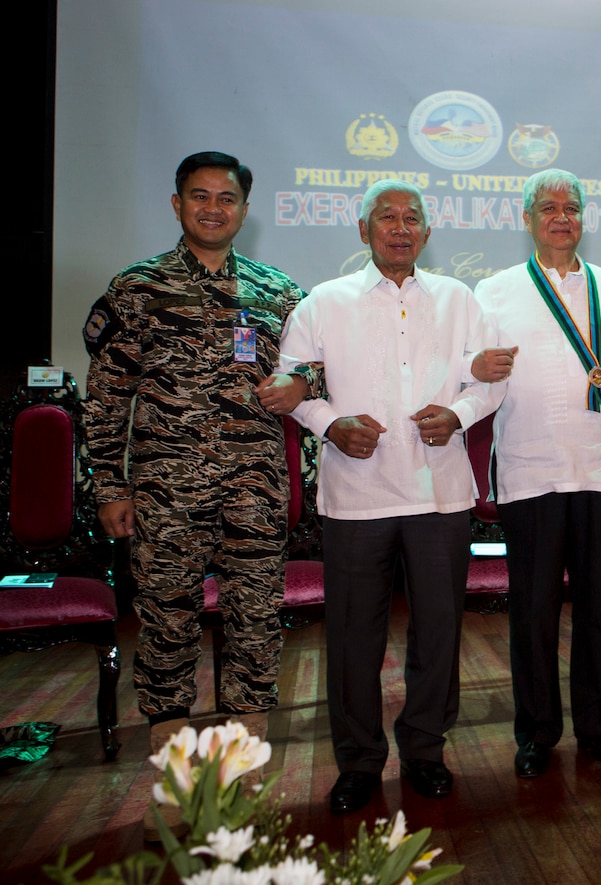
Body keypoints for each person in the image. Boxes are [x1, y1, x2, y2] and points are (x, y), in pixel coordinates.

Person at [82, 151, 321, 839]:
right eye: (199, 196)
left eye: (226, 198)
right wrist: (109, 486)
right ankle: (174, 783)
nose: (213, 208)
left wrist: (304, 385)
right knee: (165, 628)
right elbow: (106, 399)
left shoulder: (281, 292)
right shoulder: (138, 288)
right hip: (163, 493)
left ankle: (245, 781)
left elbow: (316, 378)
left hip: (254, 488)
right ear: (177, 204)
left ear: (246, 210)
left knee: (254, 628)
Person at [277, 179, 496, 813]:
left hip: (441, 496)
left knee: (438, 631)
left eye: (412, 219)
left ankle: (426, 750)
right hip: (356, 497)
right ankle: (359, 762)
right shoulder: (322, 303)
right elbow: (294, 382)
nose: (400, 228)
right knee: (352, 638)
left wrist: (458, 413)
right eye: (386, 218)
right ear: (363, 230)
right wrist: (328, 425)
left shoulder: (460, 300)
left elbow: (491, 382)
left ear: (428, 234)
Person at [471, 168, 601, 778]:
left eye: (573, 207)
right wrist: (471, 364)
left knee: (597, 608)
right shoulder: (494, 291)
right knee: (532, 610)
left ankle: (600, 726)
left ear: (585, 219)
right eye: (549, 207)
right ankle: (536, 734)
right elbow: (466, 366)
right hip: (531, 473)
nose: (562, 216)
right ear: (527, 219)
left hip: (600, 469)